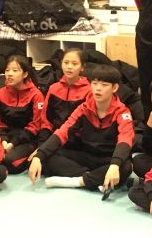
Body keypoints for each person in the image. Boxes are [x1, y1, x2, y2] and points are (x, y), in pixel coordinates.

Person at [28, 64, 135, 195]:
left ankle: (78, 181)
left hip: (109, 159)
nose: (98, 88)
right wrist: (39, 155)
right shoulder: (84, 108)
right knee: (47, 157)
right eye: (94, 83)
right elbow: (63, 131)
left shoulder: (122, 112)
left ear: (115, 88)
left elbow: (125, 139)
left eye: (104, 85)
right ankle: (94, 179)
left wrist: (114, 165)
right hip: (87, 156)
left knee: (126, 167)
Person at [0, 55, 47, 174]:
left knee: (8, 161)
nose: (9, 74)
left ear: (25, 74)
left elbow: (35, 126)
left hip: (26, 140)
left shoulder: (36, 95)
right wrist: (3, 140)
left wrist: (13, 143)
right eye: (7, 70)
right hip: (5, 139)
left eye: (15, 70)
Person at [43, 49, 90, 132]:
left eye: (74, 64)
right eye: (66, 62)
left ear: (82, 67)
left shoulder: (89, 91)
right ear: (61, 64)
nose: (69, 67)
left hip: (77, 135)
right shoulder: (53, 88)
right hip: (54, 134)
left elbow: (88, 122)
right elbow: (46, 118)